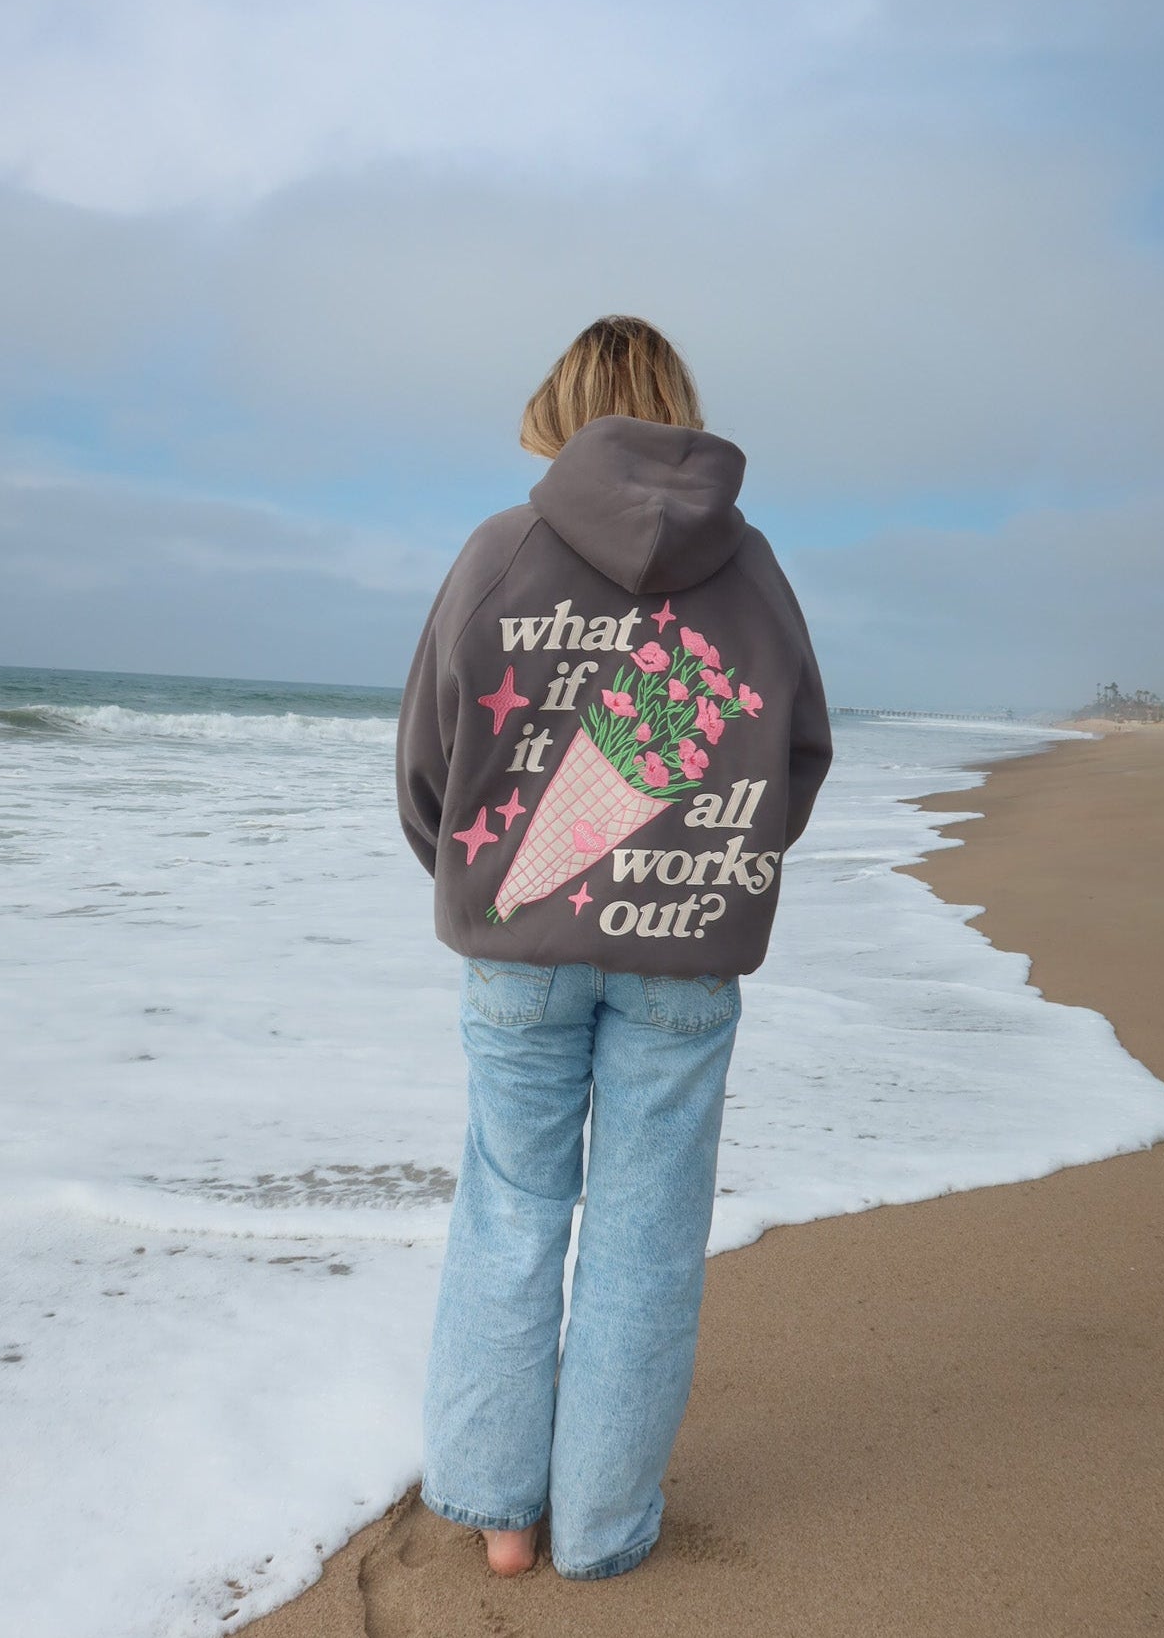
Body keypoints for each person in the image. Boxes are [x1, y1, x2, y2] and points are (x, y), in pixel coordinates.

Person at [394, 313, 833, 1582]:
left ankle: (503, 1517)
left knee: (511, 1215)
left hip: (518, 954)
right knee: (646, 1231)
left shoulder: (500, 552)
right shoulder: (752, 570)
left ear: (558, 412)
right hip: (685, 958)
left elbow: (429, 764)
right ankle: (603, 1529)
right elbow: (797, 757)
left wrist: (483, 888)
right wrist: (715, 866)